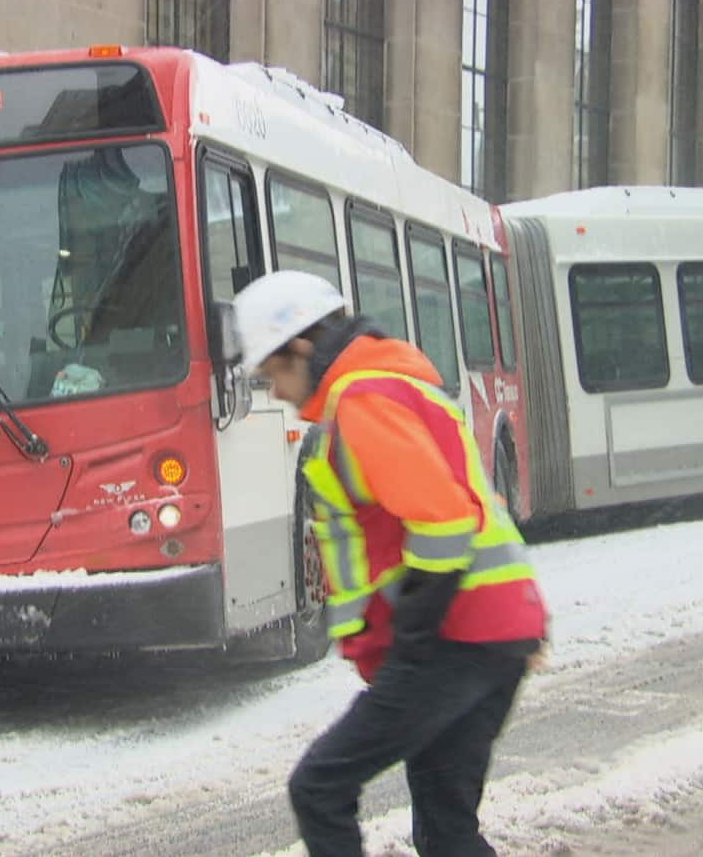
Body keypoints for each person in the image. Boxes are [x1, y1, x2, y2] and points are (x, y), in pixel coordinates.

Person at [232, 271, 548, 857]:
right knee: (446, 827)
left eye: (271, 373)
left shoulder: (366, 398)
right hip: (492, 630)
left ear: (302, 348)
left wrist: (413, 634)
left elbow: (445, 520)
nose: (273, 392)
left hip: (452, 637)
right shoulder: (400, 387)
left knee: (320, 787)